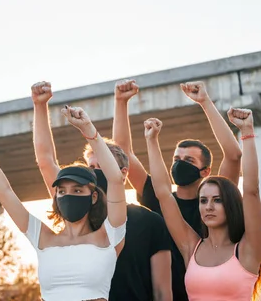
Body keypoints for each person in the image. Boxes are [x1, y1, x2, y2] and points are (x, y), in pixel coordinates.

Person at [31, 81, 172, 301]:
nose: (95, 172)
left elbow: (163, 291)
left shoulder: (149, 221)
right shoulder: (77, 212)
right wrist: (39, 107)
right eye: (91, 167)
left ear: (123, 173)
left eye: (102, 166)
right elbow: (46, 161)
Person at [0, 106, 127, 301]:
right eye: (61, 191)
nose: (68, 195)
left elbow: (114, 179)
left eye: (77, 190)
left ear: (93, 197)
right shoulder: (43, 237)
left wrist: (88, 130)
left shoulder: (109, 236)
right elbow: (4, 191)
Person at [113, 79, 242, 300]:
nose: (180, 164)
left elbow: (234, 155)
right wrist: (120, 102)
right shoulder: (158, 198)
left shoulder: (217, 201)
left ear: (205, 170)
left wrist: (204, 102)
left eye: (189, 160)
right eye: (176, 158)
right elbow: (122, 154)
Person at [144, 108, 261, 300]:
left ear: (231, 205)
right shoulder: (191, 247)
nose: (208, 206)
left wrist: (247, 133)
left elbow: (251, 190)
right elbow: (163, 194)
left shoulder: (248, 248)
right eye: (203, 200)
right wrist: (151, 141)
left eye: (217, 200)